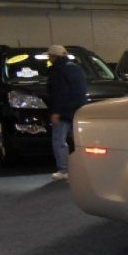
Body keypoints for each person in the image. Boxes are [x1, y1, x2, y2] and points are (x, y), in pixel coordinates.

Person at [46, 45, 87, 181]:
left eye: (49, 56)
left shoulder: (57, 70)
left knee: (59, 141)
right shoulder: (76, 68)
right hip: (78, 110)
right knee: (78, 141)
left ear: (54, 57)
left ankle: (64, 170)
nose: (49, 58)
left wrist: (56, 112)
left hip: (63, 111)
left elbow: (59, 93)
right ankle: (83, 167)